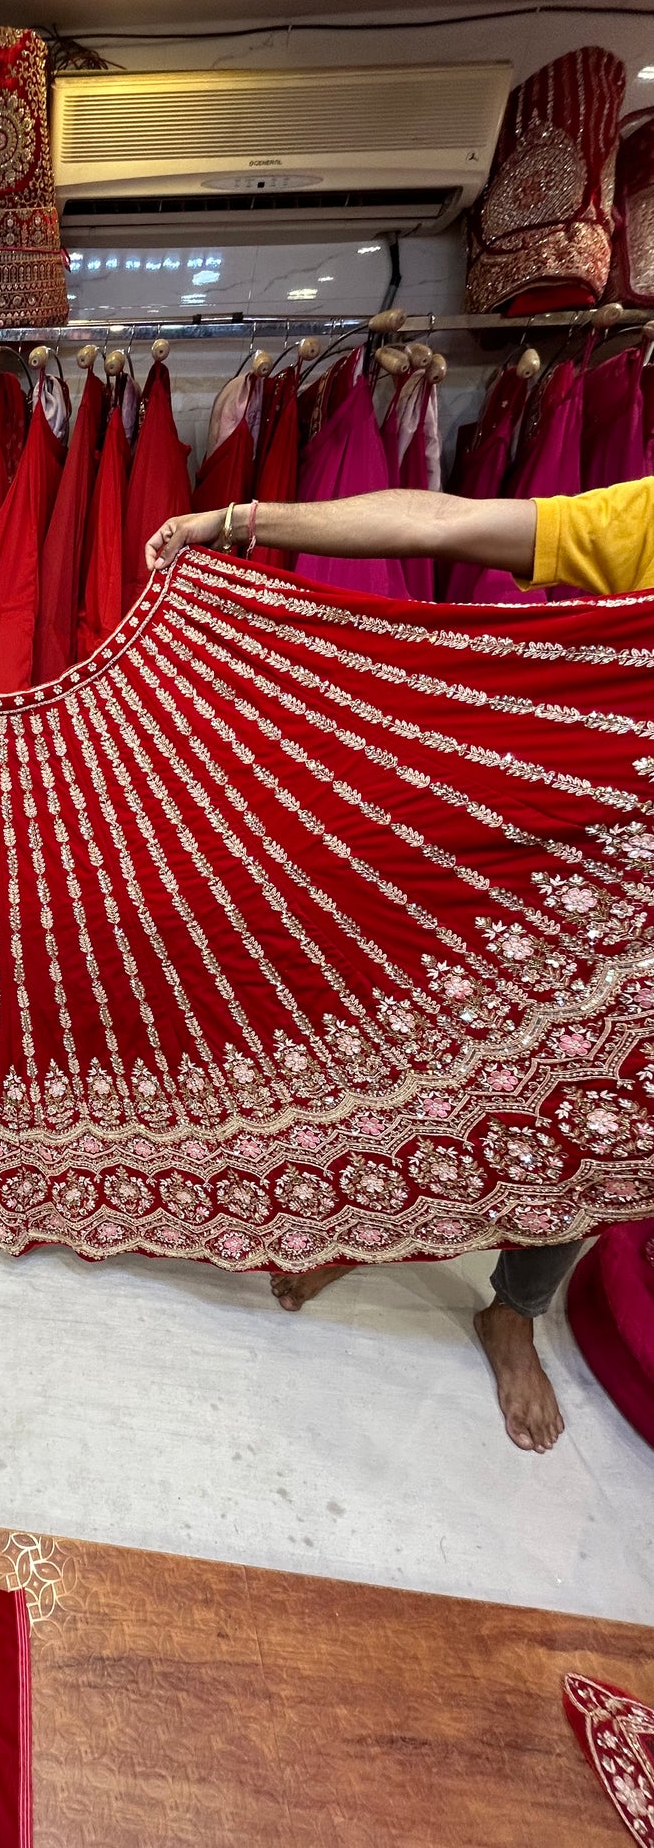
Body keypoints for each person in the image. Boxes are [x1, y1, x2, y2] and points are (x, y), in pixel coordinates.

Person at [145, 476, 654, 1453]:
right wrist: (239, 522)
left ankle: (512, 1309)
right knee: (424, 1028)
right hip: (570, 850)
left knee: (605, 1120)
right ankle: (362, 1225)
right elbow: (444, 521)